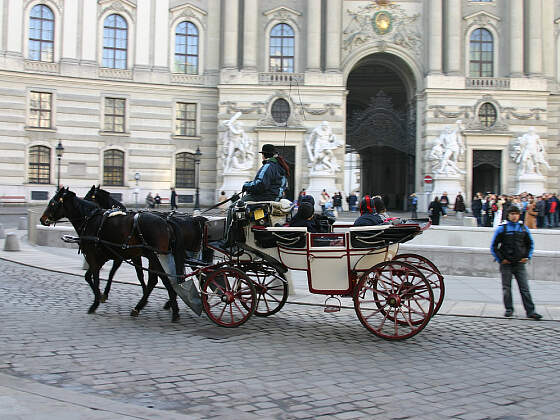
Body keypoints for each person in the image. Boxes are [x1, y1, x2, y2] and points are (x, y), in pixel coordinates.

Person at [490, 205, 542, 320]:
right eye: (512, 214)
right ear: (508, 215)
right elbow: (493, 247)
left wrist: (527, 256)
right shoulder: (501, 229)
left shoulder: (523, 228)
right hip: (506, 264)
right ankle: (509, 309)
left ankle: (530, 311)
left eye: (516, 214)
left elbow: (530, 244)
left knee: (524, 288)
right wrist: (501, 259)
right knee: (506, 288)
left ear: (519, 215)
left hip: (519, 264)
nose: (514, 216)